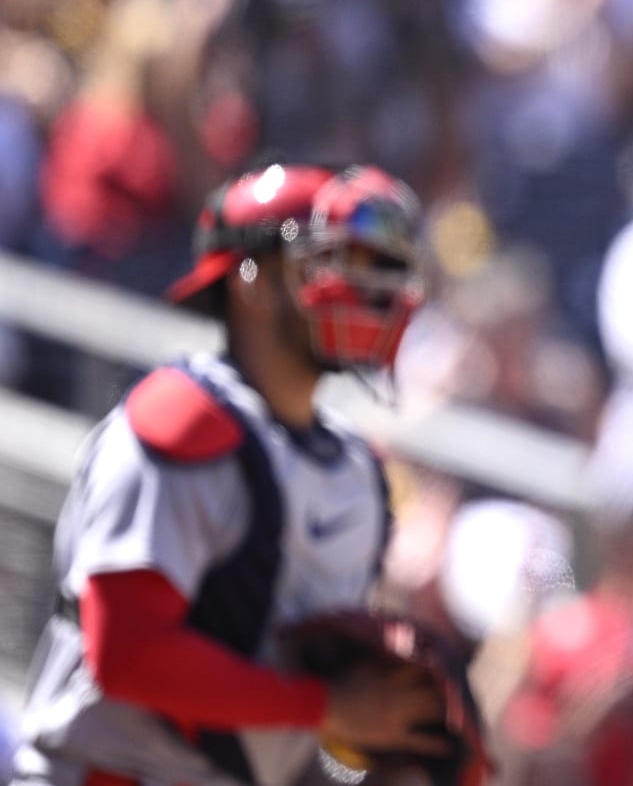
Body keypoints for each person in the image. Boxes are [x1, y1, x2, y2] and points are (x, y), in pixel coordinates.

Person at [10, 161, 449, 785]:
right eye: (332, 261)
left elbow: (282, 700)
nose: (368, 290)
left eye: (374, 266)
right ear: (251, 281)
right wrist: (329, 709)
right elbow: (126, 653)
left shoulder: (356, 467)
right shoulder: (182, 422)